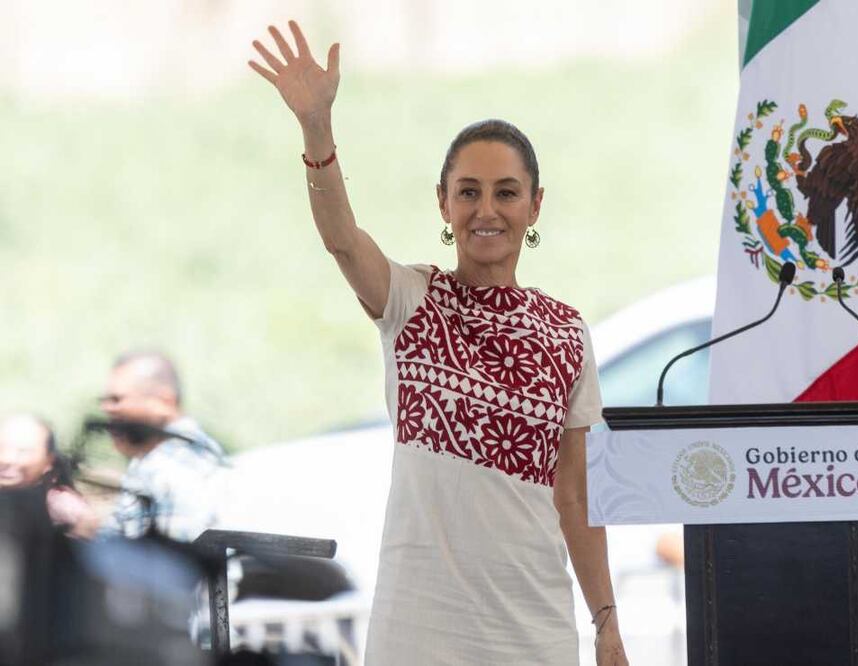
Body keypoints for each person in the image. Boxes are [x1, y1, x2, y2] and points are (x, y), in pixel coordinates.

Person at [249, 21, 629, 666]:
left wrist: (606, 624)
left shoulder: (567, 331)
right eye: (469, 192)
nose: (487, 210)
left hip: (536, 634)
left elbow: (576, 496)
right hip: (420, 631)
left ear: (535, 207)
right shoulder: (411, 300)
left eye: (506, 193)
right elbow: (342, 238)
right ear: (443, 204)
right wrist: (317, 129)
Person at [98, 350, 228, 542]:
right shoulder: (162, 456)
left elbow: (176, 561)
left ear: (164, 402)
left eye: (117, 400)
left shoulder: (177, 464)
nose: (107, 409)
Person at [0, 413, 97, 538]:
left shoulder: (59, 503)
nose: (7, 459)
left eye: (24, 451)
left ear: (48, 462)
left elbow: (88, 529)